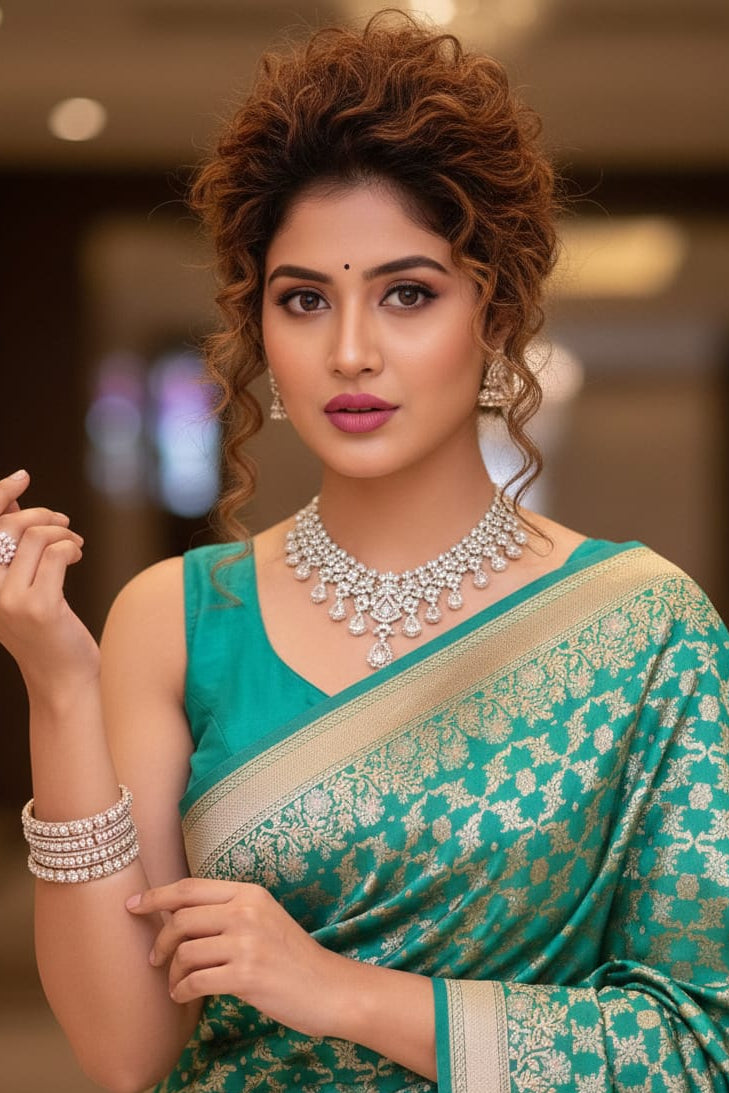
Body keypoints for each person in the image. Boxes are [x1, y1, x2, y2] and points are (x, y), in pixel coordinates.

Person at [1, 11, 728, 1093]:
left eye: (408, 293)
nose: (351, 350)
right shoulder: (179, 614)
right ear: (261, 328)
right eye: (304, 299)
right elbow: (125, 1050)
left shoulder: (648, 628)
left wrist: (340, 990)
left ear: (495, 310)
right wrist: (58, 683)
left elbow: (695, 1044)